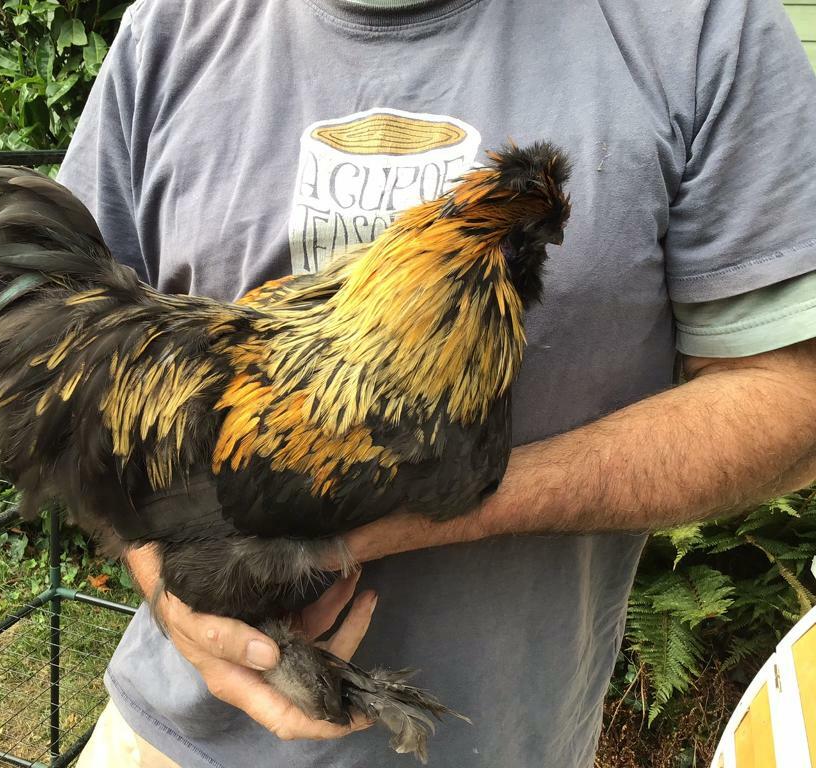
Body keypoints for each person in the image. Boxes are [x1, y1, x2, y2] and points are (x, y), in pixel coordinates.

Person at [60, 0, 816, 765]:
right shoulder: (172, 25)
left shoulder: (697, 26)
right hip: (172, 740)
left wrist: (462, 499)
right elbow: (85, 384)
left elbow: (792, 393)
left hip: (508, 746)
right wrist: (173, 589)